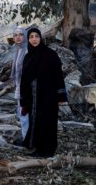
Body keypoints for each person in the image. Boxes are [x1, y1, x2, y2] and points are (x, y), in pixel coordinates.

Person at [20, 27, 68, 157]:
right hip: (33, 98)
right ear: (28, 40)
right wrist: (23, 100)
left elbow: (58, 75)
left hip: (48, 97)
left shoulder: (50, 55)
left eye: (36, 36)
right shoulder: (28, 57)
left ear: (41, 38)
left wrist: (61, 95)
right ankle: (38, 147)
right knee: (35, 121)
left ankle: (48, 150)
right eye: (31, 37)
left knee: (48, 122)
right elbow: (24, 80)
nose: (34, 39)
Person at [10, 26, 29, 143]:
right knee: (22, 113)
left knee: (24, 113)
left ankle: (27, 139)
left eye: (20, 34)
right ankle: (25, 137)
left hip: (26, 88)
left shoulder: (27, 50)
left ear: (25, 36)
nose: (18, 37)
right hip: (19, 86)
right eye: (15, 35)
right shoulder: (18, 50)